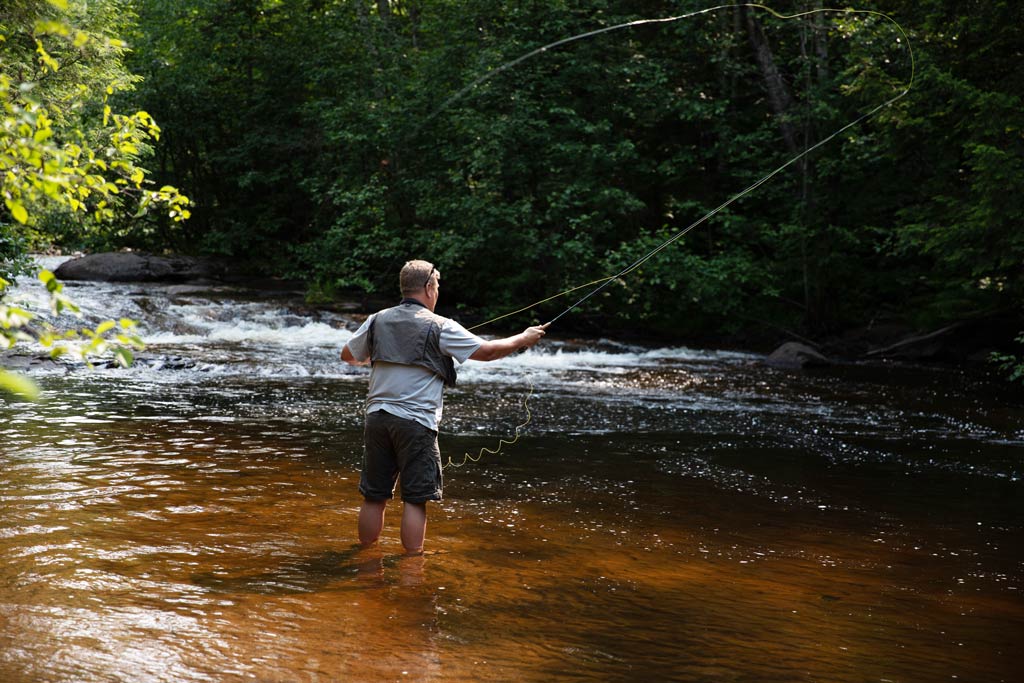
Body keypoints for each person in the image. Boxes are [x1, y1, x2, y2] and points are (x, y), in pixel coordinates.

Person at [340, 259, 547, 554]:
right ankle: (413, 565)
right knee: (415, 498)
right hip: (415, 424)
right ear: (427, 287)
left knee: (374, 495)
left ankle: (364, 558)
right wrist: (523, 339)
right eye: (436, 286)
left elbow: (347, 355)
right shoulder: (440, 326)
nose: (437, 292)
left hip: (376, 419)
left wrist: (378, 352)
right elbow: (487, 352)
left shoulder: (377, 320)